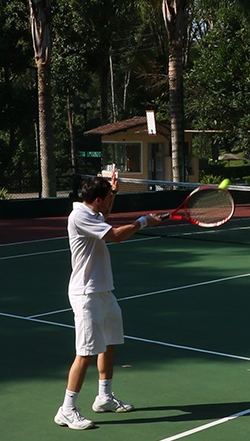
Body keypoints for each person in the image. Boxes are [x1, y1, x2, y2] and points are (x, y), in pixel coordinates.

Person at [55, 173, 163, 430]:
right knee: (85, 353)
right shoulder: (79, 216)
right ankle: (67, 410)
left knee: (109, 344)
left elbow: (106, 216)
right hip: (86, 294)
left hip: (103, 291)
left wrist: (113, 190)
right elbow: (114, 235)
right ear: (99, 200)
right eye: (109, 198)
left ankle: (104, 397)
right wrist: (143, 222)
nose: (111, 203)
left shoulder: (93, 212)